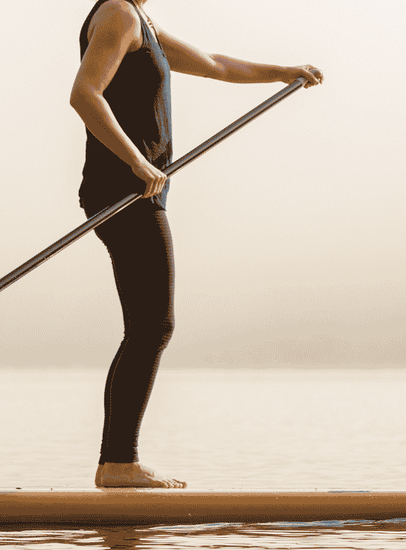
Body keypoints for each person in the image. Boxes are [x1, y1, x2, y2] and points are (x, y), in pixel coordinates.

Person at [70, 0, 323, 488]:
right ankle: (118, 464)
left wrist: (282, 72)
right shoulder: (119, 14)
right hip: (124, 192)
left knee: (147, 327)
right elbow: (84, 95)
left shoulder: (143, 23)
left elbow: (216, 65)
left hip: (132, 191)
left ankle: (115, 462)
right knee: (152, 326)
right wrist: (138, 163)